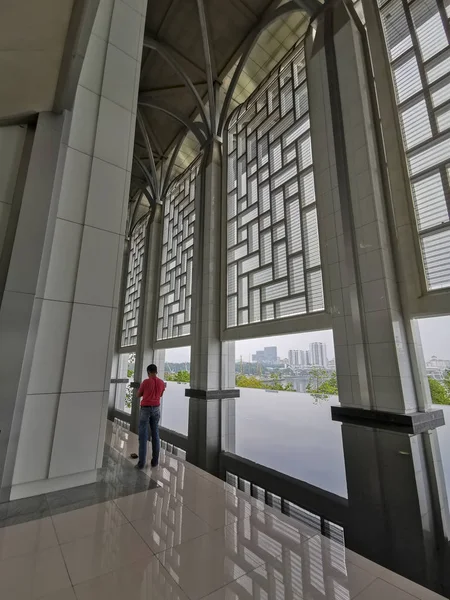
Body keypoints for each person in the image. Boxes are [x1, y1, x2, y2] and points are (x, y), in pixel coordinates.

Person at [136, 364, 165, 469]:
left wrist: (145, 393)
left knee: (143, 436)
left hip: (145, 409)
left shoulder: (146, 382)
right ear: (156, 372)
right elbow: (161, 395)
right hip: (156, 409)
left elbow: (138, 395)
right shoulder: (162, 383)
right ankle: (155, 462)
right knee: (155, 434)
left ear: (148, 372)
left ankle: (141, 463)